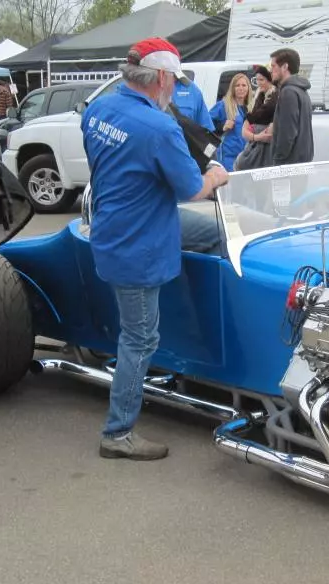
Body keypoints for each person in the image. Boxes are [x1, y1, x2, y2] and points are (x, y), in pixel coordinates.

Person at [82, 37, 229, 460]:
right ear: (162, 77)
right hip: (139, 243)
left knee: (217, 234)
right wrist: (216, 176)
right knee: (140, 338)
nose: (175, 90)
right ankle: (118, 433)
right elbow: (192, 189)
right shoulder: (160, 127)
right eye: (174, 82)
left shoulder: (98, 108)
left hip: (114, 226)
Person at [269, 48, 314, 166]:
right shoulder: (301, 90)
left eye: (273, 66)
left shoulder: (288, 92)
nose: (270, 70)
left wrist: (278, 158)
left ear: (285, 67)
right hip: (301, 162)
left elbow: (288, 132)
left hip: (289, 165)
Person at [234, 65, 277, 170]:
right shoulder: (258, 97)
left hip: (264, 149)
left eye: (261, 80)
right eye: (256, 80)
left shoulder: (274, 98)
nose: (258, 83)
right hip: (253, 145)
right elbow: (244, 130)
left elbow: (251, 121)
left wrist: (251, 129)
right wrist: (256, 136)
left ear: (269, 79)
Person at [209, 73, 251, 171]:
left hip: (247, 158)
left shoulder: (252, 107)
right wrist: (222, 126)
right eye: (237, 85)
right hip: (229, 158)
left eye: (244, 85)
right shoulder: (223, 105)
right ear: (232, 88)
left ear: (248, 88)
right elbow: (206, 124)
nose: (241, 88)